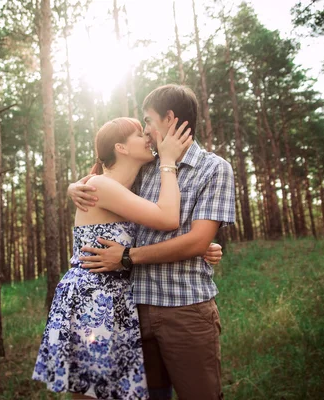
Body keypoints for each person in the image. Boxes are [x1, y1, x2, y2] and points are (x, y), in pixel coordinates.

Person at [68, 84, 236, 400]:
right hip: (136, 311)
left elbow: (196, 240)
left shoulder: (214, 169)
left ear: (169, 119)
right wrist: (76, 185)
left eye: (147, 120)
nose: (146, 131)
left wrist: (129, 256)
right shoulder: (148, 167)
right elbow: (107, 173)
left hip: (184, 310)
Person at [33, 117, 194, 399]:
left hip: (117, 300)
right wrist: (168, 161)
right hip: (93, 301)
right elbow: (168, 218)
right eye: (138, 134)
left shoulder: (126, 188)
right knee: (93, 392)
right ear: (120, 147)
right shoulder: (101, 186)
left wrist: (202, 245)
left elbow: (156, 233)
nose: (147, 137)